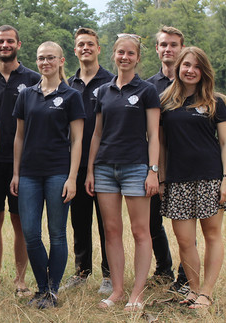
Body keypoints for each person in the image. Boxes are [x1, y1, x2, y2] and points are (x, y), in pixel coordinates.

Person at [85, 33, 160, 311]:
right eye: (120, 53)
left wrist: (153, 171)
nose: (125, 57)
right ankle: (117, 290)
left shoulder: (147, 90)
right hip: (105, 168)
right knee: (111, 230)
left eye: (130, 53)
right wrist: (91, 170)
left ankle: (137, 293)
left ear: (138, 57)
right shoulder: (103, 91)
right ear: (113, 55)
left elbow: (154, 134)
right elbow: (97, 134)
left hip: (136, 168)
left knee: (141, 231)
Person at [10, 41, 85, 309]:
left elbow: (77, 140)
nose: (45, 63)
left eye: (50, 58)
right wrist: (16, 173)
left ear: (62, 60)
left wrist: (72, 177)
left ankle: (52, 291)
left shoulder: (71, 96)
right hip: (29, 173)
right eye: (41, 58)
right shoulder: (26, 94)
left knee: (56, 234)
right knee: (30, 232)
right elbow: (19, 137)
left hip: (57, 173)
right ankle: (41, 287)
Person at [159, 47, 226, 309]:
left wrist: (225, 178)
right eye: (186, 65)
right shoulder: (166, 101)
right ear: (178, 68)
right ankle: (193, 290)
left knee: (212, 236)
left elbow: (224, 143)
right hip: (177, 180)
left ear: (204, 71)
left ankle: (206, 294)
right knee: (185, 240)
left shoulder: (215, 101)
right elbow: (162, 145)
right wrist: (162, 179)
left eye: (196, 66)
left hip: (210, 178)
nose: (190, 70)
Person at [0, 25, 40, 295]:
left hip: (24, 164)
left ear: (19, 44)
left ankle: (21, 279)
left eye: (10, 41)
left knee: (21, 222)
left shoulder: (34, 79)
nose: (5, 45)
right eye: (0, 41)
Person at [61, 27, 114, 294]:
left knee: (107, 222)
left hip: (105, 162)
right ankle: (82, 272)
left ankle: (109, 275)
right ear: (75, 50)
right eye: (81, 44)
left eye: (90, 44)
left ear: (98, 49)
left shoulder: (111, 81)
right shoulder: (68, 85)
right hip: (75, 165)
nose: (85, 48)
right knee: (79, 220)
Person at [146, 26, 189, 292]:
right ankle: (163, 269)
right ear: (157, 49)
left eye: (173, 44)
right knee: (152, 221)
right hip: (155, 164)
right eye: (164, 44)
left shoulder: (192, 80)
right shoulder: (149, 86)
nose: (168, 49)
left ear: (182, 48)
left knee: (186, 225)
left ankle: (186, 276)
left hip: (187, 165)